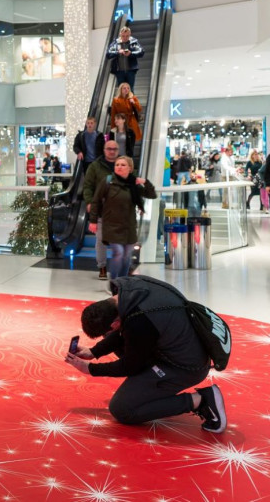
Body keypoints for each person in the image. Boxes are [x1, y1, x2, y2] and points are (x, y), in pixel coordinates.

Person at [64, 275, 227, 433]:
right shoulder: (126, 289)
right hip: (182, 346)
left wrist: (90, 369)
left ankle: (202, 400)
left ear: (115, 323)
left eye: (112, 328)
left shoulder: (140, 322)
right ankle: (149, 386)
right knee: (119, 338)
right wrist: (93, 351)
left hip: (186, 367)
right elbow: (125, 332)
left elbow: (130, 366)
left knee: (122, 409)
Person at [89, 155, 156, 279]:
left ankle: (122, 282)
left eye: (123, 165)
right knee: (118, 253)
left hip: (129, 226)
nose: (119, 167)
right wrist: (93, 220)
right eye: (117, 165)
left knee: (126, 256)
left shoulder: (134, 184)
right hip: (111, 225)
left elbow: (152, 195)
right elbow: (96, 201)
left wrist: (145, 182)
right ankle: (114, 283)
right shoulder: (107, 181)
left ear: (130, 168)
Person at [83, 140, 123, 280]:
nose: (112, 151)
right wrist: (89, 202)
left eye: (114, 149)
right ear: (104, 150)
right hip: (101, 209)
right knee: (100, 239)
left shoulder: (123, 164)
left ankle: (121, 267)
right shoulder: (95, 166)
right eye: (109, 148)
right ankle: (102, 267)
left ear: (118, 150)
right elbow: (87, 186)